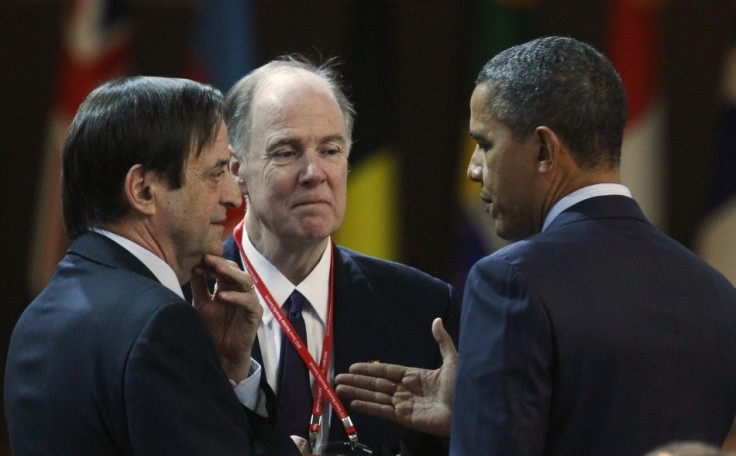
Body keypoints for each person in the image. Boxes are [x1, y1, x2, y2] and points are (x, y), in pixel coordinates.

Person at [335, 36, 736, 455]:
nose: (473, 169)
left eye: (485, 144)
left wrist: (481, 426)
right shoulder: (719, 295)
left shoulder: (513, 281)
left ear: (544, 150)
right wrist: (477, 410)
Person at [4, 76, 265, 455]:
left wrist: (223, 370)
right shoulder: (161, 324)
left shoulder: (38, 315)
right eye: (215, 173)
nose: (234, 195)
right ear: (143, 190)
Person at [220, 56, 461, 455]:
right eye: (286, 151)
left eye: (330, 150)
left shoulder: (424, 308)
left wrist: (467, 422)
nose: (314, 172)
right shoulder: (183, 301)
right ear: (235, 168)